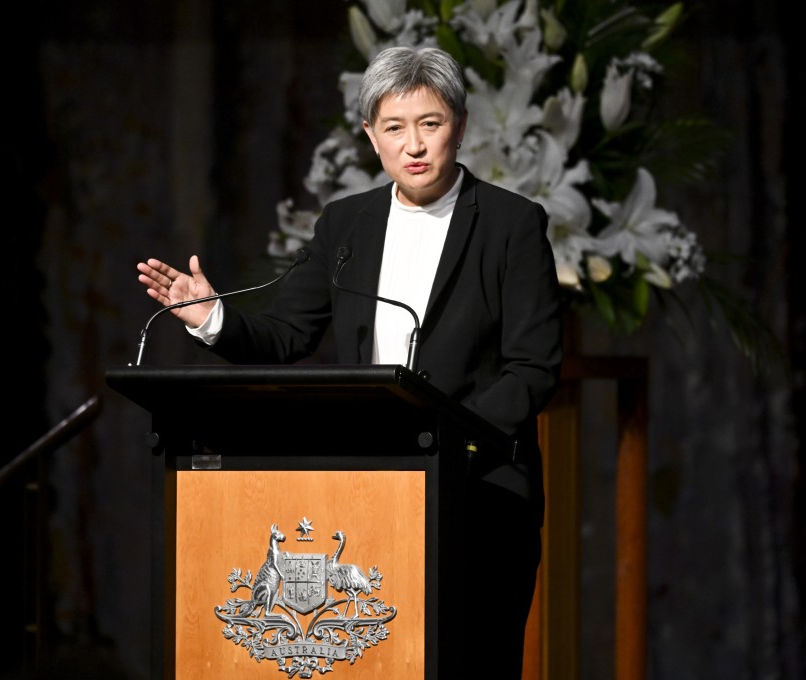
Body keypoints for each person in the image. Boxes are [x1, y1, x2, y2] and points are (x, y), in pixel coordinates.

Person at [137, 45, 562, 677]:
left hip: (481, 493)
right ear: (371, 136)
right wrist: (210, 318)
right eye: (394, 128)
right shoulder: (346, 225)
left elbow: (532, 368)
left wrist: (450, 438)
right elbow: (286, 334)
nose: (413, 145)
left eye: (431, 123)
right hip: (371, 491)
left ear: (461, 126)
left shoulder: (511, 224)